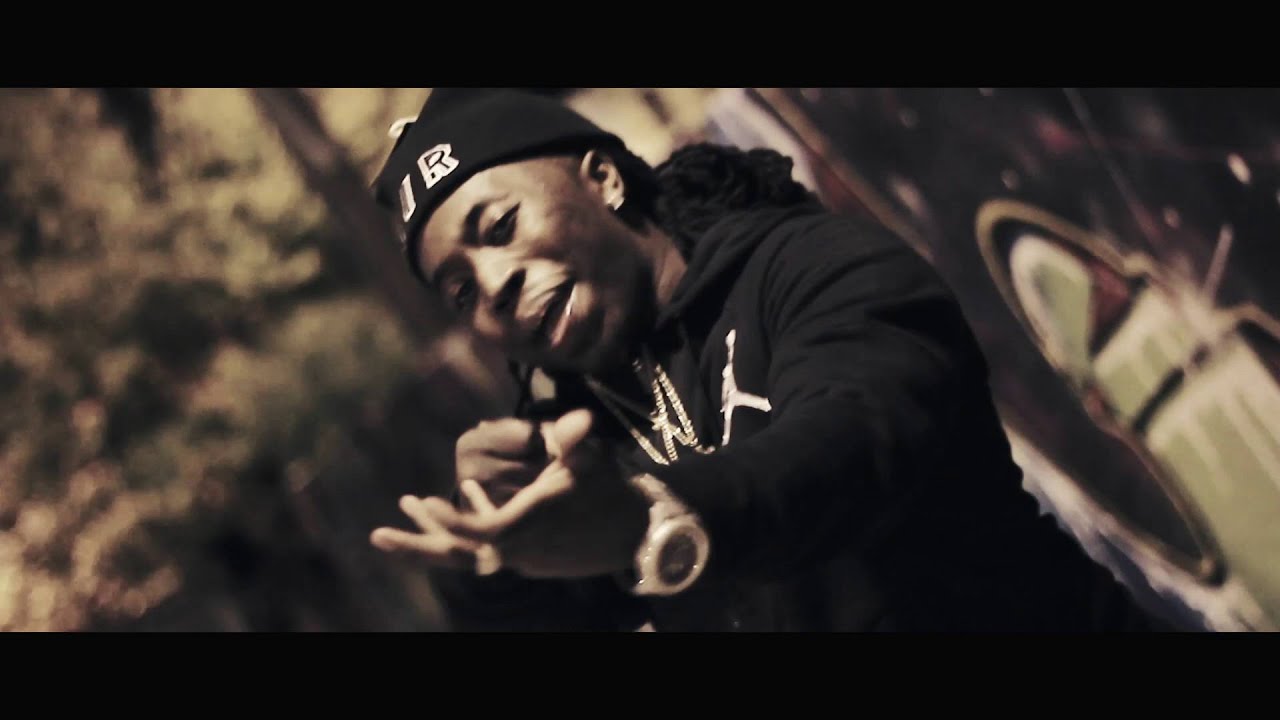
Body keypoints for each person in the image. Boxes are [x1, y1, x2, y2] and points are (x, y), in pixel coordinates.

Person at [365, 88, 1164, 632]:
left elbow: (850, 445)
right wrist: (490, 544)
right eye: (460, 291)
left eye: (500, 228)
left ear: (603, 179)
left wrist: (655, 517)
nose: (494, 285)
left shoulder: (812, 267)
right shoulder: (576, 442)